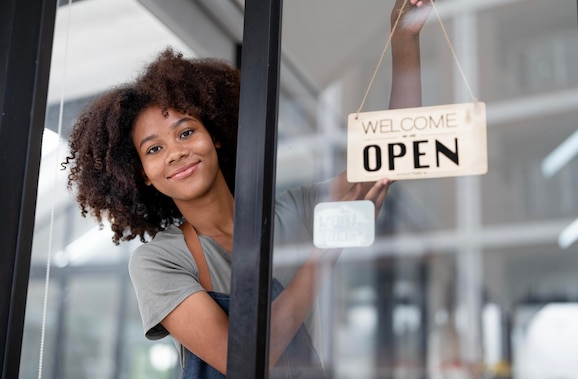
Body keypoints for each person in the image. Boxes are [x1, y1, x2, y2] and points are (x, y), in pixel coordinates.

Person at [63, 1, 431, 377]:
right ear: (141, 173)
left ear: (216, 137)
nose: (176, 153)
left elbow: (393, 156)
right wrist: (325, 251)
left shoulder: (294, 212)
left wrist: (404, 38)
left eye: (186, 132)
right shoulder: (161, 261)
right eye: (154, 149)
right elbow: (239, 359)